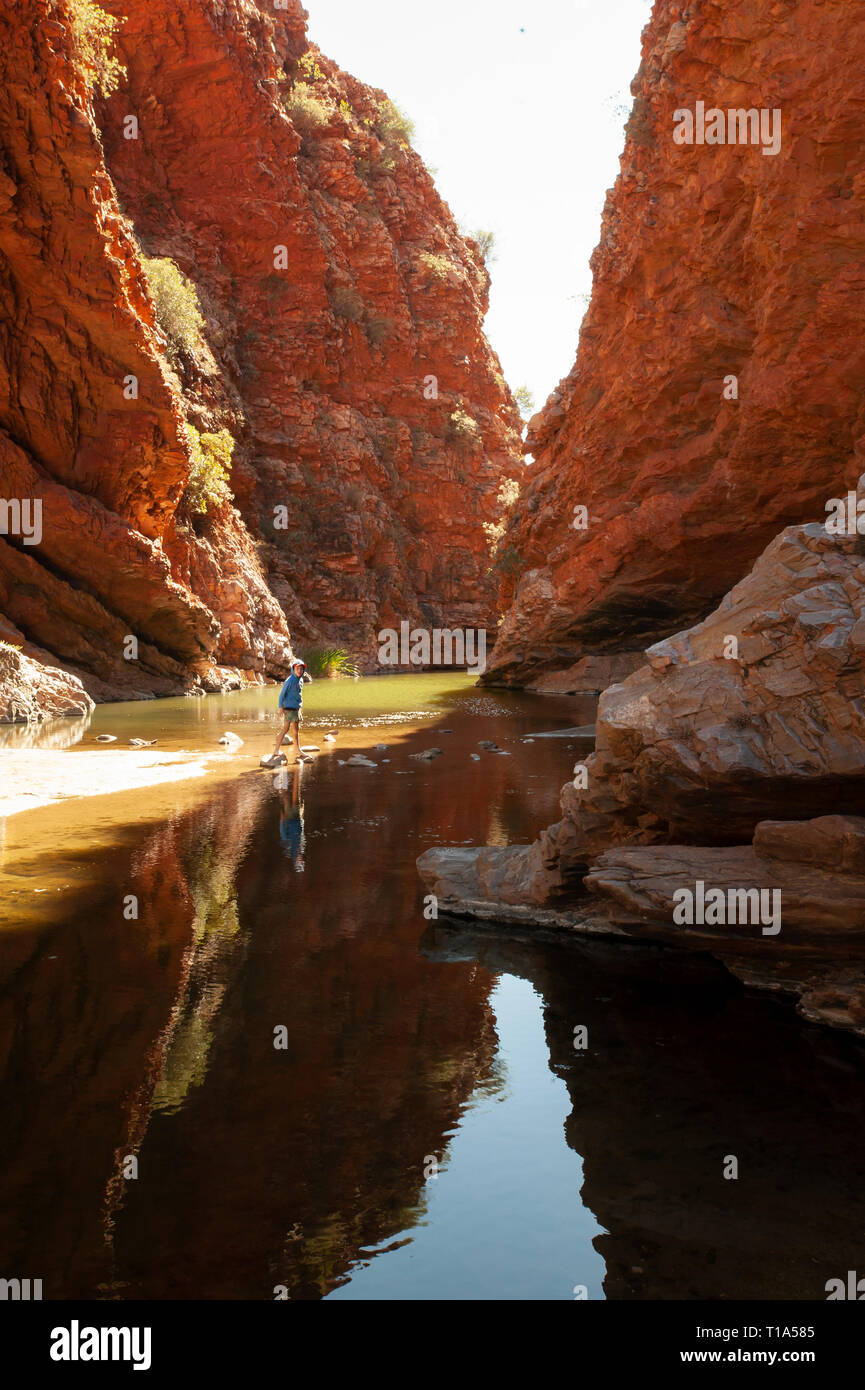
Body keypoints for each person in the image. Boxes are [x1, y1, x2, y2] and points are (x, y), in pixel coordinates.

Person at [268, 659, 313, 764]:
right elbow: (282, 694)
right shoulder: (290, 680)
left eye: (301, 669)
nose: (299, 671)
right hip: (288, 708)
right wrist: (280, 708)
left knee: (291, 729)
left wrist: (300, 707)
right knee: (290, 729)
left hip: (295, 708)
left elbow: (298, 694)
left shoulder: (300, 680)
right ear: (293, 669)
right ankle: (281, 750)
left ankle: (291, 749)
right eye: (297, 669)